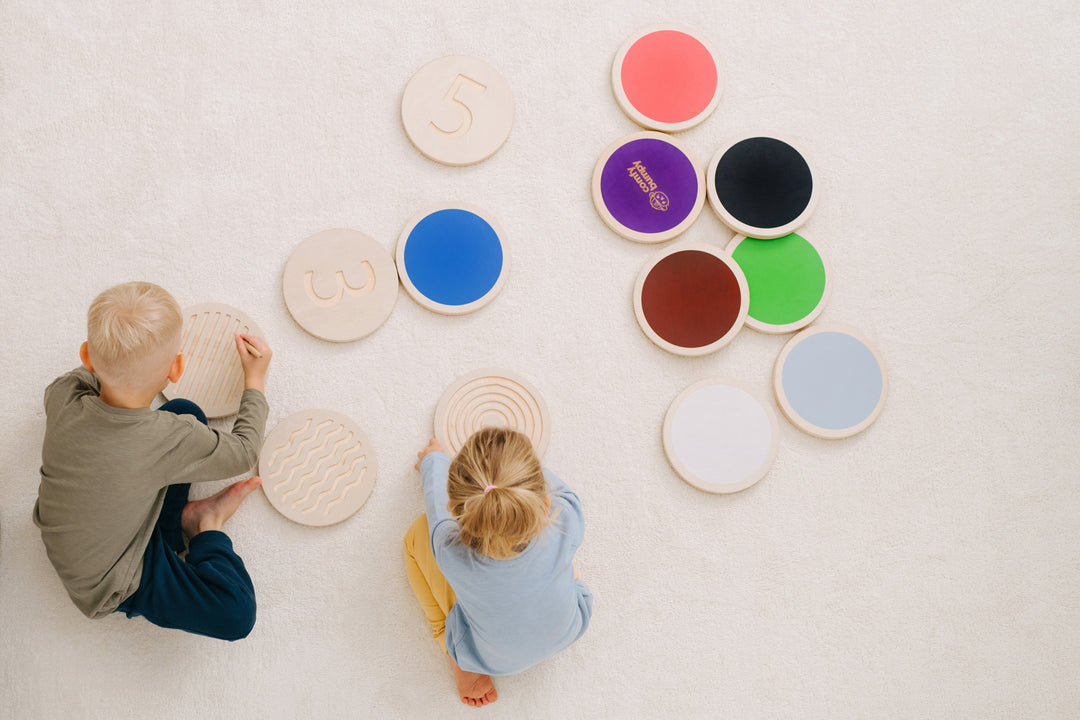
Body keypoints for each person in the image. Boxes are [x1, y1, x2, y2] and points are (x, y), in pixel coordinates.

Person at [33, 281, 272, 641]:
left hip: (90, 535)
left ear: (86, 356)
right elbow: (244, 451)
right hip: (109, 580)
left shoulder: (63, 395)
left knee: (185, 411)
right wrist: (254, 381)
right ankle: (203, 524)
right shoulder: (166, 438)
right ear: (177, 369)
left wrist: (114, 361)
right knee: (236, 614)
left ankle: (175, 521)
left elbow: (91, 377)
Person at [404, 427, 593, 707]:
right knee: (559, 550)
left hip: (489, 657)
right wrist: (513, 460)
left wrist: (434, 460)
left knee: (416, 536)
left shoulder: (449, 551)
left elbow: (436, 509)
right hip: (570, 627)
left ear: (455, 512)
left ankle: (452, 650)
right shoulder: (568, 516)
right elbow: (544, 482)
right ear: (544, 503)